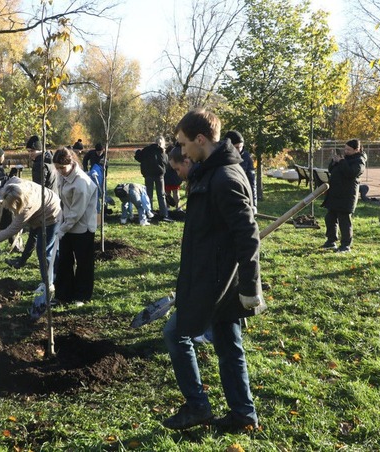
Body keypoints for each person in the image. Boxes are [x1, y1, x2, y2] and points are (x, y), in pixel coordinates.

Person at [162, 108, 265, 432]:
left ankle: (197, 405)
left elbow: (248, 237)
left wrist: (250, 287)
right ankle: (243, 414)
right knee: (228, 345)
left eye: (183, 143)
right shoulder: (209, 172)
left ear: (201, 139)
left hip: (216, 282)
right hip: (209, 274)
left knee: (175, 334)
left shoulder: (225, 178)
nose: (181, 150)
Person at [0, 177, 62, 317]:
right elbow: (8, 184)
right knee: (42, 247)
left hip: (51, 215)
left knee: (44, 250)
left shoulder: (27, 207)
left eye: (9, 206)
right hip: (40, 209)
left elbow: (14, 228)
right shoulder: (14, 184)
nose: (7, 208)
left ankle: (48, 283)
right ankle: (51, 275)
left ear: (18, 203)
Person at [52, 147, 98, 306]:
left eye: (62, 167)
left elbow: (77, 211)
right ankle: (63, 295)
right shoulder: (62, 177)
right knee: (64, 260)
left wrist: (63, 228)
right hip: (67, 225)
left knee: (83, 262)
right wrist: (60, 222)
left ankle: (81, 295)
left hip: (83, 227)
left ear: (71, 163)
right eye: (57, 168)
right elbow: (63, 203)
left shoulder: (81, 182)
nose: (59, 171)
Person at [6, 136, 58, 269]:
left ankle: (25, 263)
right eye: (28, 151)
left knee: (36, 234)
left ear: (39, 150)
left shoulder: (40, 165)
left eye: (31, 151)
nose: (30, 154)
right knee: (40, 236)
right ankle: (23, 261)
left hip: (43, 204)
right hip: (54, 201)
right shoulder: (50, 160)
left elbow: (38, 188)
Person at [321, 139, 366, 253]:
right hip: (335, 193)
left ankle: (346, 245)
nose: (346, 151)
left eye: (349, 150)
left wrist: (341, 162)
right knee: (330, 218)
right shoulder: (344, 158)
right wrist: (334, 161)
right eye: (345, 149)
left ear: (357, 149)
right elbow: (331, 170)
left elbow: (351, 173)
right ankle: (331, 241)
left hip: (347, 195)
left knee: (344, 221)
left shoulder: (359, 160)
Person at [134, 136, 171, 222]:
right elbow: (166, 163)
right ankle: (164, 214)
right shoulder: (162, 152)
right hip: (159, 175)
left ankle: (149, 213)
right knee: (161, 195)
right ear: (163, 143)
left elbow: (139, 157)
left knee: (148, 195)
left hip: (148, 174)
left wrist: (137, 152)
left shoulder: (147, 150)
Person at [224, 130, 257, 212]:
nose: (239, 150)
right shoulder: (222, 157)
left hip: (242, 196)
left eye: (241, 147)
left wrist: (253, 204)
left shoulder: (246, 157)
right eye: (236, 147)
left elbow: (252, 181)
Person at [163, 144, 183, 211]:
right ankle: (178, 207)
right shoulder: (176, 157)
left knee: (167, 193)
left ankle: (167, 207)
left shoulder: (165, 157)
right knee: (175, 192)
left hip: (166, 177)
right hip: (175, 178)